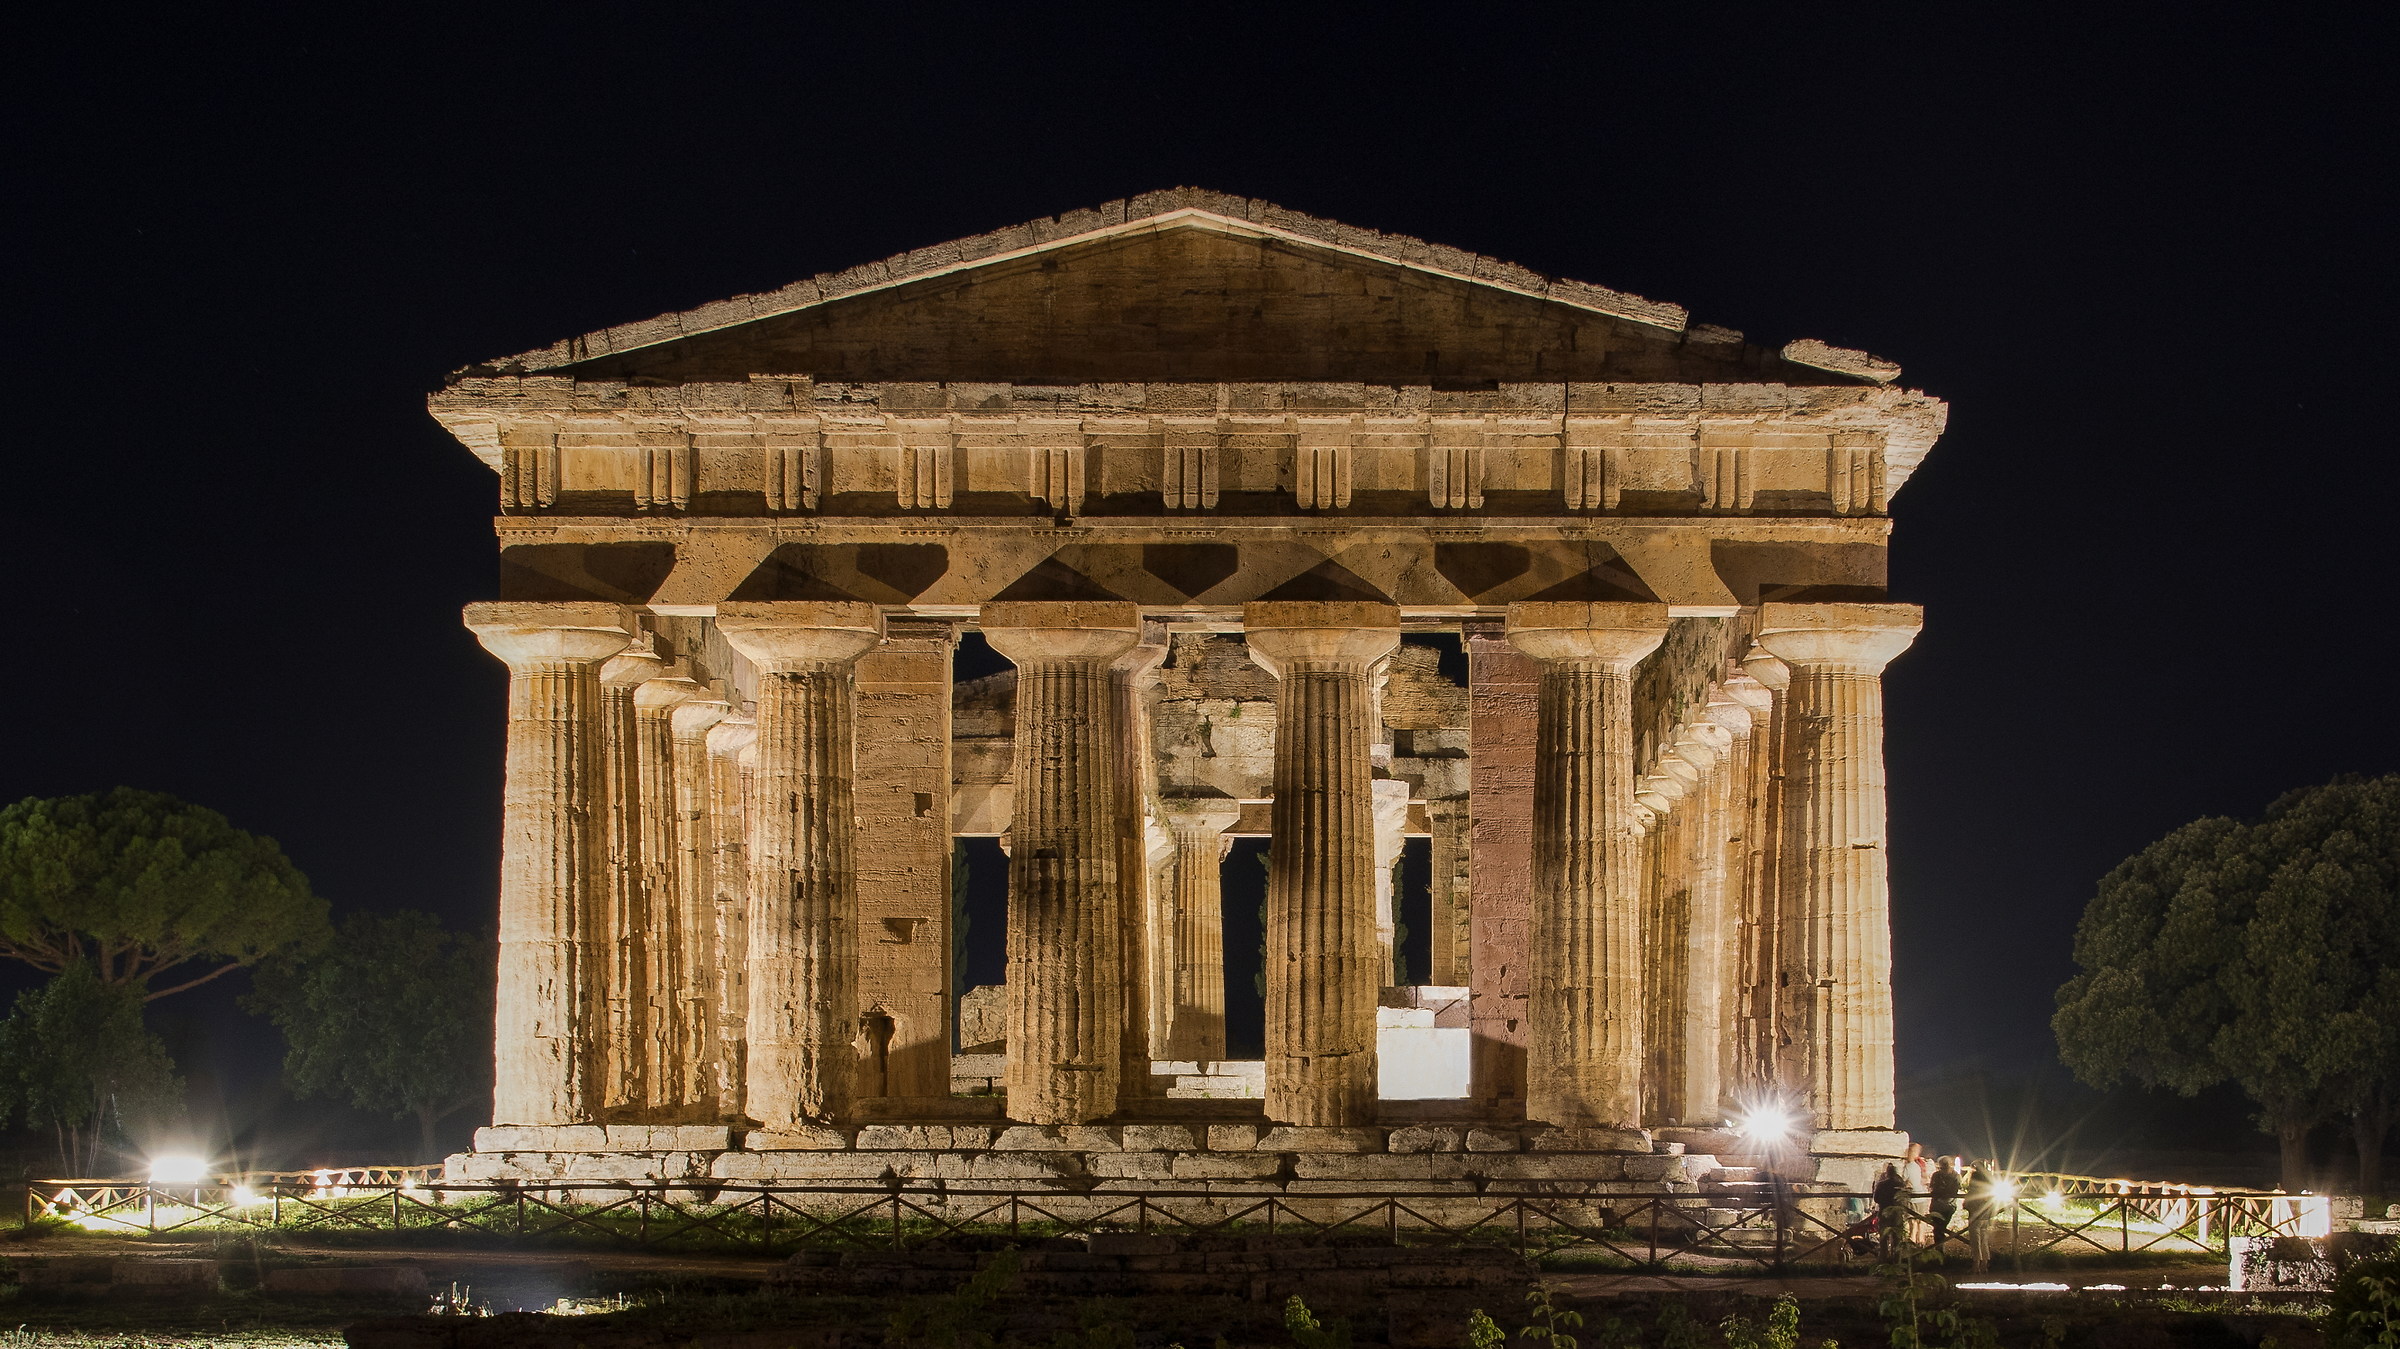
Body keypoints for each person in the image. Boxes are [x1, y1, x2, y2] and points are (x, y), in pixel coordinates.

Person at [1964, 1160, 1999, 1274]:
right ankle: (1985, 1263)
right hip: (1986, 1216)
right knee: (1984, 1240)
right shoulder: (1989, 1187)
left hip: (1975, 1216)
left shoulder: (1974, 1191)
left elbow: (1967, 1204)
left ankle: (1976, 1265)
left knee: (1975, 1241)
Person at [1872, 1162, 1906, 1260]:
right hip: (1897, 1213)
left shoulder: (1882, 1185)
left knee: (1883, 1237)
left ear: (1887, 1173)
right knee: (1897, 1238)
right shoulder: (1900, 1185)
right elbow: (1904, 1198)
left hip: (1884, 1212)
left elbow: (1876, 1199)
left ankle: (1883, 1258)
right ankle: (1897, 1259)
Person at [1928, 1155, 1961, 1253]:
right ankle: (1939, 1251)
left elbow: (1933, 1189)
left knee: (1939, 1229)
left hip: (1943, 1206)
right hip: (1942, 1206)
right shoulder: (1954, 1176)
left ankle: (1939, 1251)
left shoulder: (1940, 1175)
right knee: (1938, 1229)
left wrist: (1940, 1194)